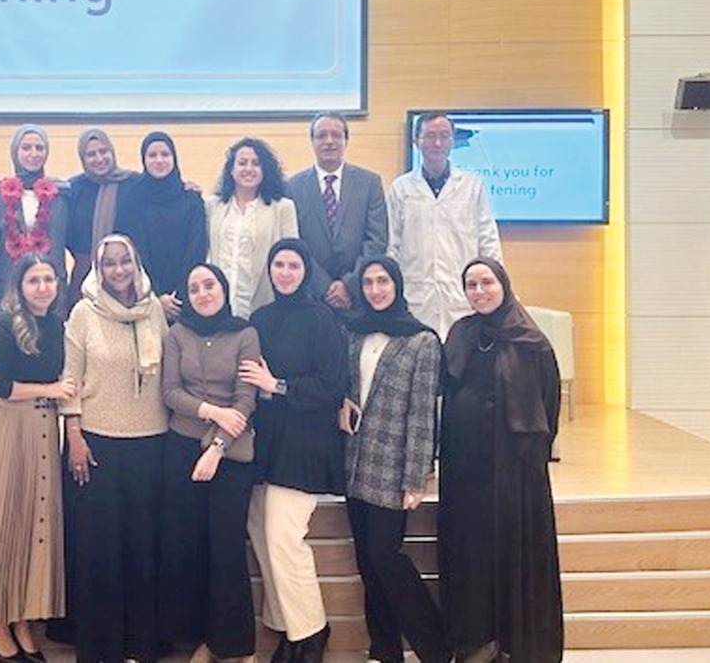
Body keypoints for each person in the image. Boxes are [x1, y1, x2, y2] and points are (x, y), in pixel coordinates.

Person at [440, 258, 563, 663]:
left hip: (515, 473)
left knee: (512, 552)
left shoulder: (531, 340)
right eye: (471, 285)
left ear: (503, 284)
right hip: (466, 470)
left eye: (486, 282)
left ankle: (514, 641)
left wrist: (531, 456)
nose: (479, 291)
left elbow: (548, 402)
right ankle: (476, 638)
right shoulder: (460, 333)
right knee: (471, 552)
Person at [59, 234, 169, 663]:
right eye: (110, 264)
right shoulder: (84, 313)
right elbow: (70, 381)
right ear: (98, 269)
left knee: (144, 547)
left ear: (136, 263)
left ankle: (142, 643)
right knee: (100, 550)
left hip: (151, 442)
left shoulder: (154, 309)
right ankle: (101, 648)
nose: (119, 270)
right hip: (98, 443)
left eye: (126, 262)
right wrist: (75, 437)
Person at [340, 256, 452, 663]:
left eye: (382, 281)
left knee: (386, 557)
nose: (375, 290)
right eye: (368, 282)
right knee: (367, 564)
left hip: (392, 468)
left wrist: (417, 477)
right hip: (354, 462)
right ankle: (384, 650)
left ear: (397, 284)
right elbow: (347, 387)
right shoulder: (354, 332)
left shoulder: (422, 340)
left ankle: (437, 647)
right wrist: (342, 402)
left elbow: (424, 413)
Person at [0, 254, 77, 662]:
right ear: (20, 285)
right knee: (4, 524)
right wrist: (50, 388)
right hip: (9, 431)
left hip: (45, 432)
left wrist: (55, 393)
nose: (43, 286)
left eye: (49, 279)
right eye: (34, 280)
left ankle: (23, 620)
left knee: (34, 526)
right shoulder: (3, 325)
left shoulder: (59, 325)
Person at [241, 239, 344, 663]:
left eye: (293, 265)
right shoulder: (260, 318)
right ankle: (288, 630)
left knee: (284, 538)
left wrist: (277, 386)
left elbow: (331, 386)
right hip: (266, 442)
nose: (285, 272)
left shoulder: (323, 319)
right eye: (278, 264)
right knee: (260, 532)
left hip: (305, 444)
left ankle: (313, 632)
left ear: (306, 271)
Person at [159, 263, 259, 663]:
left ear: (223, 287)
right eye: (194, 288)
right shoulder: (177, 334)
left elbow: (246, 399)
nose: (203, 293)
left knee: (227, 548)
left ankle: (234, 647)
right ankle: (202, 639)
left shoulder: (245, 333)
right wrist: (213, 413)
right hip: (182, 448)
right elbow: (169, 391)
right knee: (190, 547)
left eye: (210, 285)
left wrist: (217, 446)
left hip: (231, 455)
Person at [387, 112, 503, 338]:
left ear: (452, 141)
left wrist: (493, 288)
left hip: (462, 297)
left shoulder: (472, 186)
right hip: (416, 298)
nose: (437, 143)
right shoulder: (401, 188)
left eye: (444, 136)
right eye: (430, 136)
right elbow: (392, 246)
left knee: (462, 365)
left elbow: (488, 241)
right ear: (416, 141)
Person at [286, 112, 388, 312]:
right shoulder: (292, 186)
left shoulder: (369, 183)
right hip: (311, 295)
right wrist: (325, 286)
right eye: (321, 135)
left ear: (346, 140)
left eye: (336, 135)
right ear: (312, 141)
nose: (329, 141)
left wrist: (348, 284)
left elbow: (377, 240)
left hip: (360, 294)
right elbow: (294, 242)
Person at [115, 131, 208, 322]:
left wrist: (178, 295)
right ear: (144, 160)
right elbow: (133, 251)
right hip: (143, 299)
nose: (159, 160)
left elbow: (197, 247)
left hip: (186, 299)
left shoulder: (191, 198)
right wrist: (156, 296)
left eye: (165, 154)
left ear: (174, 158)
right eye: (152, 155)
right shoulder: (132, 199)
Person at [206, 137, 299, 318]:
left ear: (265, 170)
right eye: (242, 163)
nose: (249, 169)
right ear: (231, 170)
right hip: (218, 308)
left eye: (256, 163)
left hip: (265, 308)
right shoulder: (211, 206)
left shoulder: (283, 208)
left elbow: (293, 258)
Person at [0, 124, 70, 315]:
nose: (33, 154)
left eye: (39, 148)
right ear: (15, 151)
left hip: (48, 287)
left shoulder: (61, 193)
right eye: (26, 148)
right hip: (9, 284)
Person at [65, 128, 136, 303]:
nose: (99, 159)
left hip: (125, 278)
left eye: (103, 151)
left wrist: (186, 187)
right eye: (91, 154)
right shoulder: (73, 189)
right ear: (83, 158)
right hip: (84, 279)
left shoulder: (133, 184)